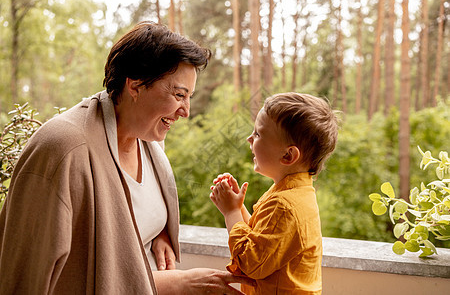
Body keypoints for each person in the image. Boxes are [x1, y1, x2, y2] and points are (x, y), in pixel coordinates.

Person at [0, 21, 254, 294]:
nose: (186, 111)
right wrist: (177, 283)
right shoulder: (62, 150)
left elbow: (126, 217)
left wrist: (159, 231)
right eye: (179, 95)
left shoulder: (147, 140)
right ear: (135, 86)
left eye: (189, 96)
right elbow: (23, 278)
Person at [210, 92, 339, 294]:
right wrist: (237, 206)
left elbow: (251, 261)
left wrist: (230, 213)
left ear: (288, 155)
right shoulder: (297, 192)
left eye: (258, 134)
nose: (249, 138)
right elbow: (264, 241)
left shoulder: (284, 204)